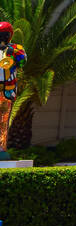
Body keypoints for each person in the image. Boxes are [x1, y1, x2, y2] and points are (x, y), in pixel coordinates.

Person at [0, 23, 27, 153]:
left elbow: (22, 61)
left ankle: (1, 148)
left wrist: (10, 51)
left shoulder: (15, 48)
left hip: (7, 89)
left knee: (3, 120)